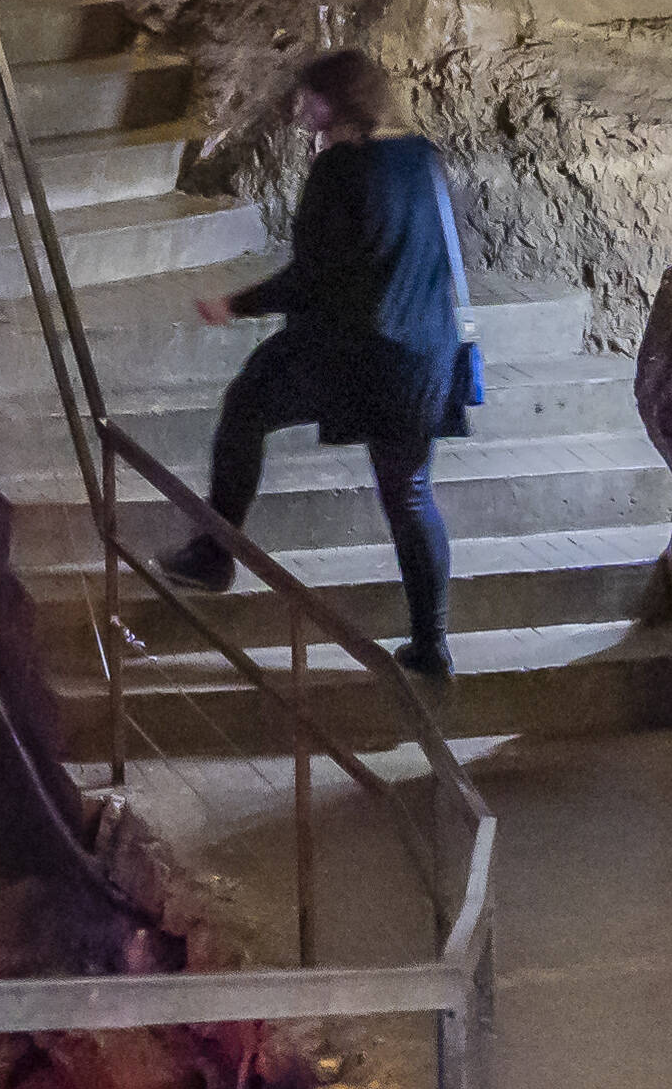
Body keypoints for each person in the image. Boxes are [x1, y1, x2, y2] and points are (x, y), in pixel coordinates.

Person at [157, 48, 468, 684]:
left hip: (356, 351)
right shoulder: (423, 158)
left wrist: (233, 304)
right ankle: (431, 644)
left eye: (309, 95)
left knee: (246, 405)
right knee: (409, 493)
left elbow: (311, 277)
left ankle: (215, 554)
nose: (299, 105)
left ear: (334, 103)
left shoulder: (339, 172)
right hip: (426, 354)